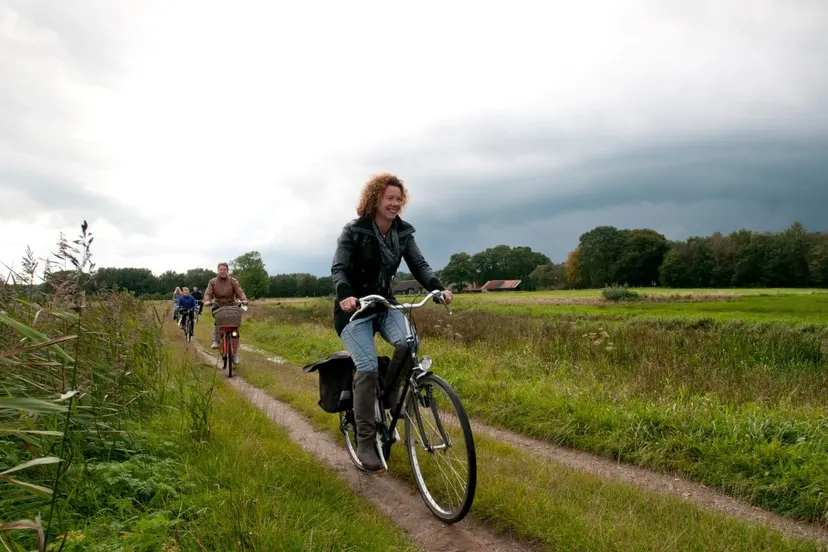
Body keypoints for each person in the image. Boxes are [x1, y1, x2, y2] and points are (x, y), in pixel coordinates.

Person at [331, 173, 453, 472]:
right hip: (355, 309)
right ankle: (366, 439)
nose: (395, 203)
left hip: (384, 303)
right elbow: (339, 268)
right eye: (390, 198)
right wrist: (346, 295)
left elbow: (419, 264)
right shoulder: (354, 231)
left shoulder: (403, 233)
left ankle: (390, 394)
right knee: (368, 367)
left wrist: (436, 287)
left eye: (399, 199)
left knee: (408, 342)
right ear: (375, 199)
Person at [202, 262, 249, 352]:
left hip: (231, 303)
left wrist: (244, 299)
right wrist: (207, 300)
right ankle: (215, 340)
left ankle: (234, 350)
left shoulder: (233, 281)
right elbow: (208, 293)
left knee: (235, 325)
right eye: (221, 270)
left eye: (224, 269)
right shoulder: (212, 282)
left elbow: (239, 291)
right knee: (217, 321)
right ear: (218, 271)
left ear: (227, 271)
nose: (222, 271)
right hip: (218, 304)